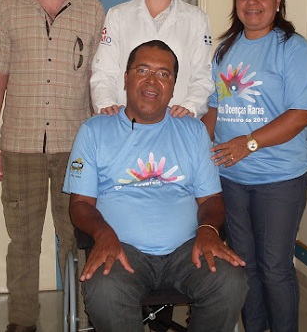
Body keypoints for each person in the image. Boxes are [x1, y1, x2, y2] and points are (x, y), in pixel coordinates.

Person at [0, 0, 105, 332]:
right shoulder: (7, 9)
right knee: (24, 244)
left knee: (77, 241)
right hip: (20, 147)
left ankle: (84, 319)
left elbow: (100, 80)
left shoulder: (94, 10)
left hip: (76, 149)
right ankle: (22, 322)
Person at [64, 40, 248, 332]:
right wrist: (103, 234)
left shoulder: (193, 131)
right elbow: (80, 205)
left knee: (230, 280)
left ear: (174, 85)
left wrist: (209, 230)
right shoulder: (95, 131)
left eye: (164, 74)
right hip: (122, 249)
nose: (152, 81)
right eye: (143, 70)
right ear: (126, 78)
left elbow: (212, 200)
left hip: (187, 251)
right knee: (105, 291)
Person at [201, 0, 307, 332]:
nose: (252, 2)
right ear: (235, 1)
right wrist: (193, 147)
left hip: (280, 178)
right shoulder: (225, 51)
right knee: (244, 265)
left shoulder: (293, 49)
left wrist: (248, 143)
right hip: (231, 178)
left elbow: (302, 113)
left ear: (277, 0)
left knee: (274, 266)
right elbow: (215, 110)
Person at [90, 0, 214, 118]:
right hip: (125, 124)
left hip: (175, 125)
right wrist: (106, 105)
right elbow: (104, 72)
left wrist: (190, 107)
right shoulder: (118, 15)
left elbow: (202, 77)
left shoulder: (196, 19)